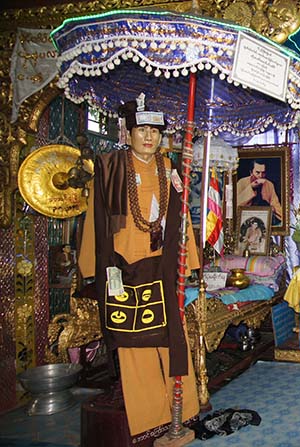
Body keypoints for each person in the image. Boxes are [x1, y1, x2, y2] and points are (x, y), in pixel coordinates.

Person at [78, 94, 200, 436]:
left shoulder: (170, 168)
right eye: (142, 129)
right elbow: (95, 220)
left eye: (156, 132)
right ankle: (150, 418)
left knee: (172, 338)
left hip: (161, 265)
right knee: (134, 345)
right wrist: (92, 268)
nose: (149, 137)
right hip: (123, 267)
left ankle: (183, 411)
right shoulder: (109, 166)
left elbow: (181, 219)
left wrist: (187, 260)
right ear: (128, 132)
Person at [236, 160, 282, 225]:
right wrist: (251, 187)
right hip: (245, 219)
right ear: (251, 172)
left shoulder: (269, 184)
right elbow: (236, 204)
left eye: (263, 173)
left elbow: (276, 205)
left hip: (263, 219)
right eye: (257, 172)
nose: (260, 176)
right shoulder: (241, 182)